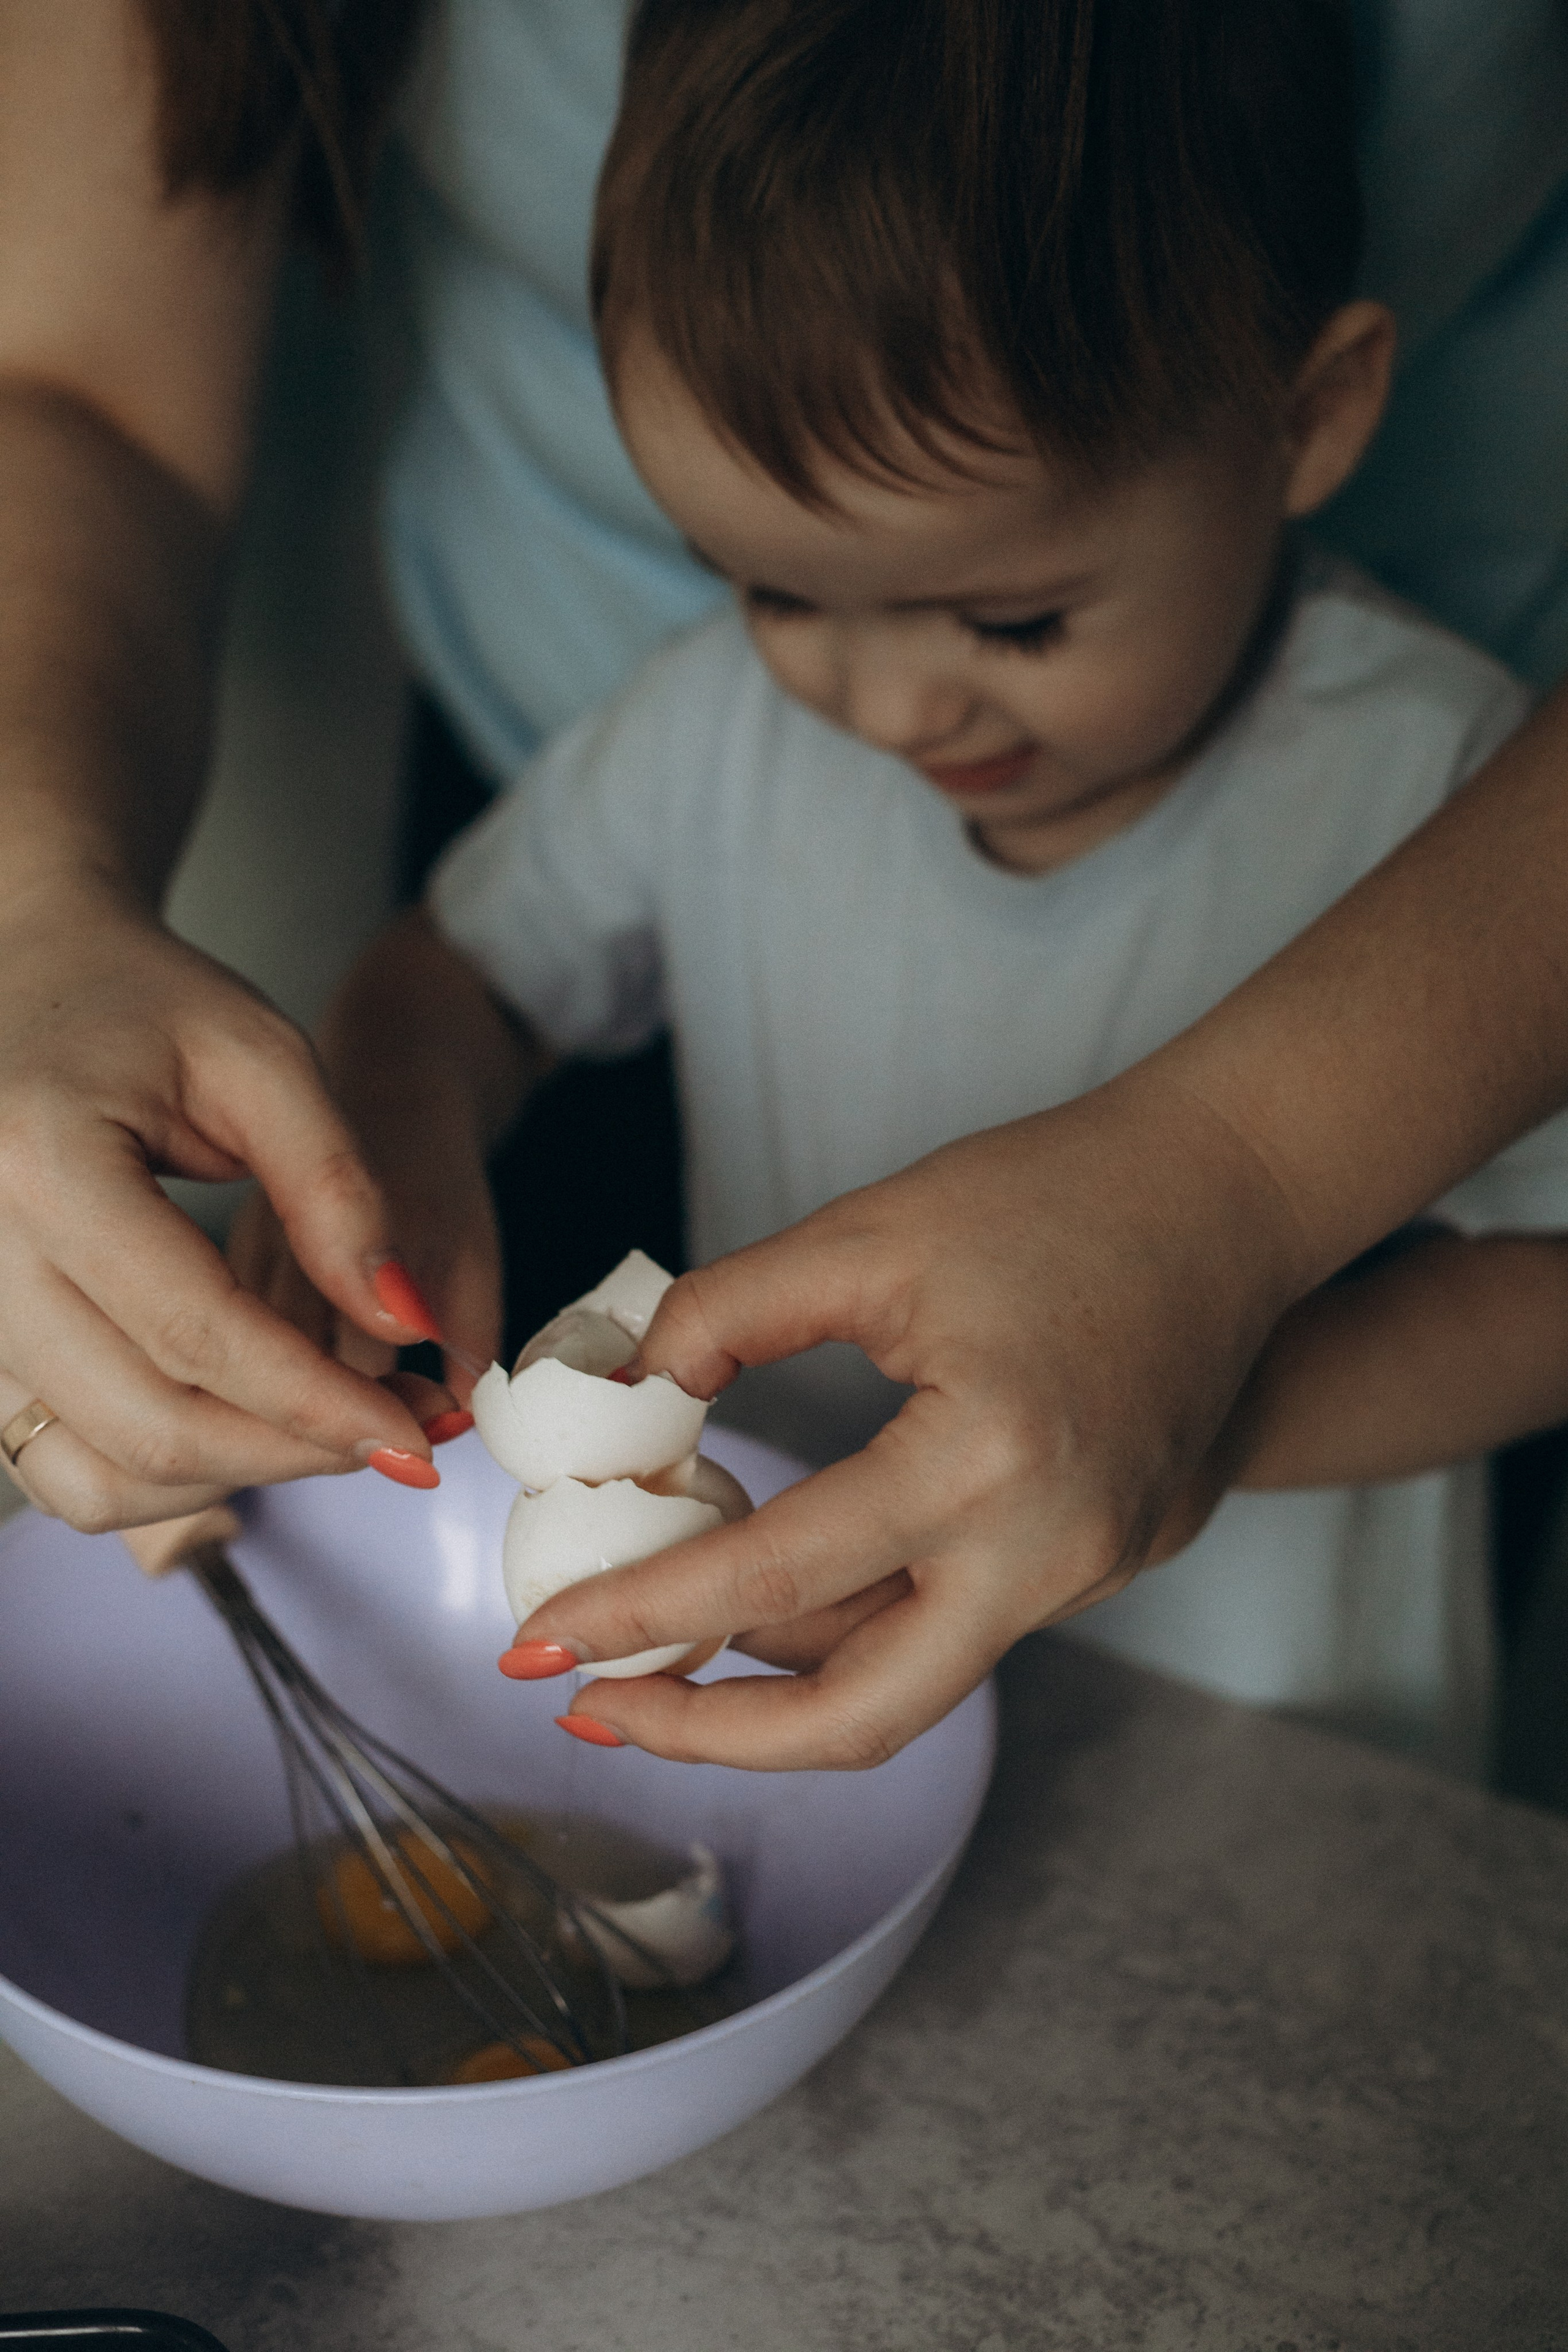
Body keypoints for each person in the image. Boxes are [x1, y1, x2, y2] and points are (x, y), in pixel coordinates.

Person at [2, 0, 1568, 1774]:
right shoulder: (717, 728)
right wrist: (394, 1142)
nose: (888, 710)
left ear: (1311, 414)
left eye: (1017, 619)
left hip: (1275, 1753)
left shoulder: (1432, 787)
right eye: (774, 590)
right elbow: (464, 980)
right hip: (834, 1717)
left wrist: (1211, 1399)